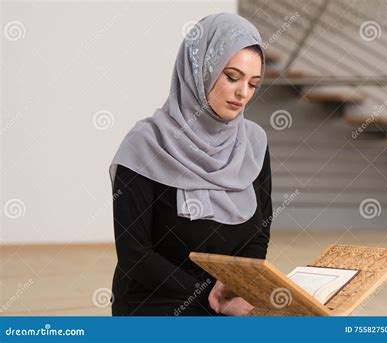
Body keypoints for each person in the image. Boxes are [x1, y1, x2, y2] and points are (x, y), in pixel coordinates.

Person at [108, 12, 272, 316]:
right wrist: (205, 294)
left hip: (227, 303)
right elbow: (134, 253)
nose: (242, 93)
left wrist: (243, 287)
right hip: (157, 300)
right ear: (199, 71)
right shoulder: (146, 144)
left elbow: (259, 232)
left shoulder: (253, 144)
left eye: (253, 84)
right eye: (232, 77)